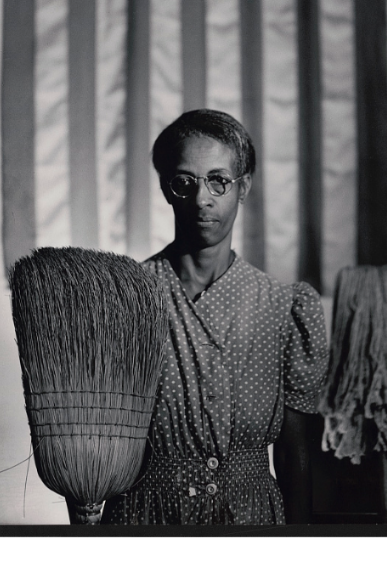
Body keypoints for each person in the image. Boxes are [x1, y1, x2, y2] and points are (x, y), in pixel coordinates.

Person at [101, 109, 328, 525]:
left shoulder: (281, 307)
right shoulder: (128, 298)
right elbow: (98, 440)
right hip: (147, 515)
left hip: (253, 515)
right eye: (184, 182)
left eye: (218, 181)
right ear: (167, 190)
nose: (202, 198)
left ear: (244, 187)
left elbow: (295, 452)